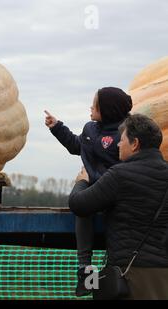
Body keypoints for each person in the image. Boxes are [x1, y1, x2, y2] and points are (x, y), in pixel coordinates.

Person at [69, 114, 168, 300]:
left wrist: (81, 182)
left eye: (122, 140)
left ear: (135, 144)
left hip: (130, 277)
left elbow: (79, 205)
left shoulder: (119, 175)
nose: (117, 145)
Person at [45, 87, 132, 296]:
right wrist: (57, 127)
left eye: (95, 104)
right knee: (82, 208)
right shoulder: (91, 129)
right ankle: (86, 272)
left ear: (107, 110)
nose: (90, 108)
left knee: (109, 231)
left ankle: (108, 280)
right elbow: (78, 146)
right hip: (91, 188)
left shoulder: (127, 133)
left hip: (114, 192)